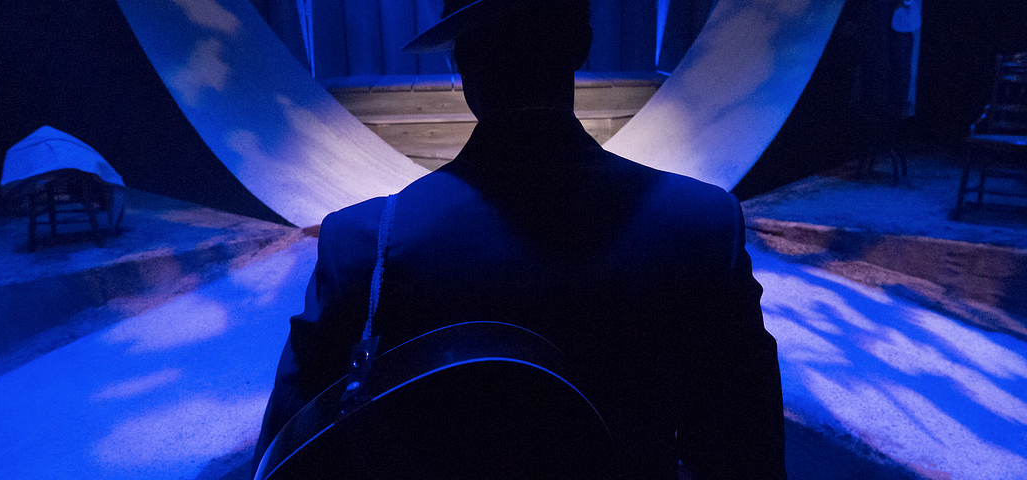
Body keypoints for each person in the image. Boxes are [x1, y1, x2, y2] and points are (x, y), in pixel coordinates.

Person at [255, 0, 785, 478]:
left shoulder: (362, 245)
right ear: (581, 47)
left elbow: (285, 457)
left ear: (461, 65)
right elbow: (746, 459)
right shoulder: (703, 226)